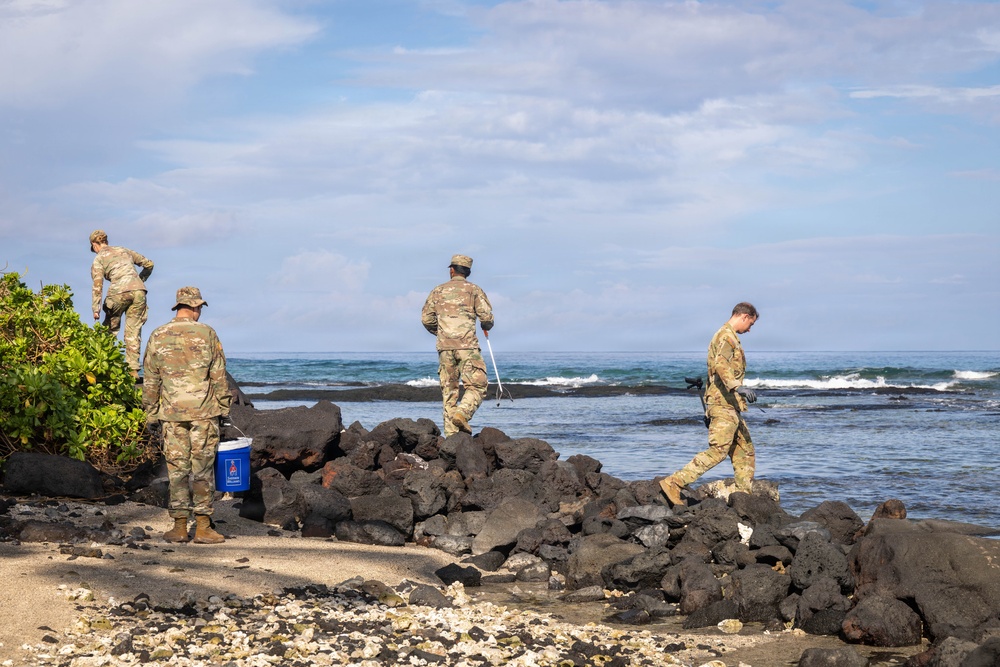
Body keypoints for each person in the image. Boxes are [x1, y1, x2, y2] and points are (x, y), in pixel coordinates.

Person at [142, 287, 232, 544]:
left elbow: (151, 379)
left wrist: (151, 413)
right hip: (204, 412)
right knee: (202, 469)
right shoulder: (207, 333)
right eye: (200, 307)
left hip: (171, 414)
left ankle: (180, 527)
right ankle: (203, 527)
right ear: (195, 307)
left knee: (177, 470)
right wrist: (224, 409)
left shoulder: (158, 335)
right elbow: (218, 376)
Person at [660, 302, 760, 506]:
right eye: (750, 323)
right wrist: (737, 387)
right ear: (743, 316)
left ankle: (744, 498)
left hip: (730, 405)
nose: (750, 329)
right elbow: (720, 365)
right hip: (723, 405)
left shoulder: (729, 336)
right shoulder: (727, 336)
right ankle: (674, 482)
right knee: (718, 451)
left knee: (745, 450)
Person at [421, 254, 495, 436]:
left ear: (452, 270)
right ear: (468, 272)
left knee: (449, 393)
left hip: (445, 347)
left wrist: (441, 332)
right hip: (468, 346)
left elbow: (426, 318)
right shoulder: (474, 290)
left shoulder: (438, 291)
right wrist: (485, 326)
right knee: (477, 386)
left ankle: (451, 440)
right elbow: (487, 317)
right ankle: (463, 413)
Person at [89, 230, 154, 377]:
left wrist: (96, 308)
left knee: (110, 330)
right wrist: (139, 280)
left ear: (94, 245)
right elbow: (149, 264)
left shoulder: (99, 258)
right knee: (133, 331)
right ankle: (133, 372)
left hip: (118, 292)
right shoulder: (124, 250)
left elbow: (97, 284)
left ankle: (105, 368)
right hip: (138, 291)